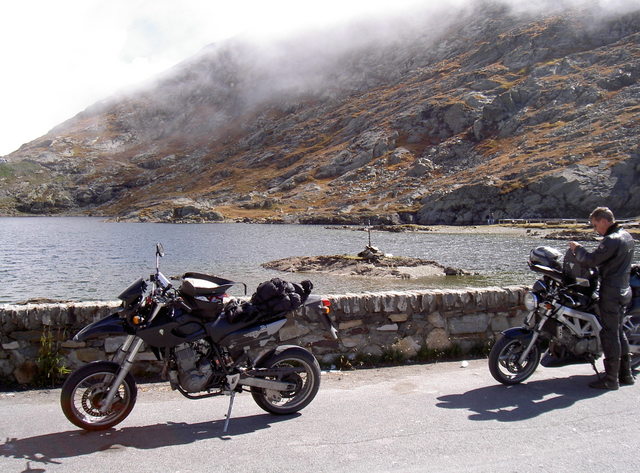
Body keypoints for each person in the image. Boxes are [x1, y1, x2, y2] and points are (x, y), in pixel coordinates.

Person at [569, 207, 635, 389]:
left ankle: (611, 380)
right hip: (624, 289)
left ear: (604, 221)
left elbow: (591, 260)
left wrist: (578, 249)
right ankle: (626, 375)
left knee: (610, 334)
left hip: (611, 293)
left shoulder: (612, 240)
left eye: (596, 225)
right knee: (619, 332)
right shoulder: (627, 236)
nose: (595, 229)